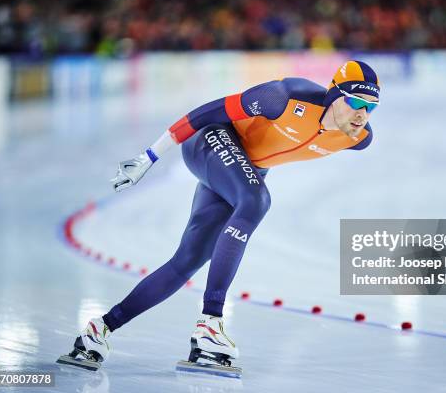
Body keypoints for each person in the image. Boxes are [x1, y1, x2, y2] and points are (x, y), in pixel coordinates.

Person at [60, 60, 380, 371]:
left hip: (241, 171)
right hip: (212, 140)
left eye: (371, 107)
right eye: (355, 101)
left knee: (188, 260)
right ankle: (211, 322)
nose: (362, 114)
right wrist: (150, 156)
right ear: (334, 93)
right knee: (255, 201)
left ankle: (98, 331)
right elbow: (205, 113)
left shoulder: (357, 140)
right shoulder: (284, 98)